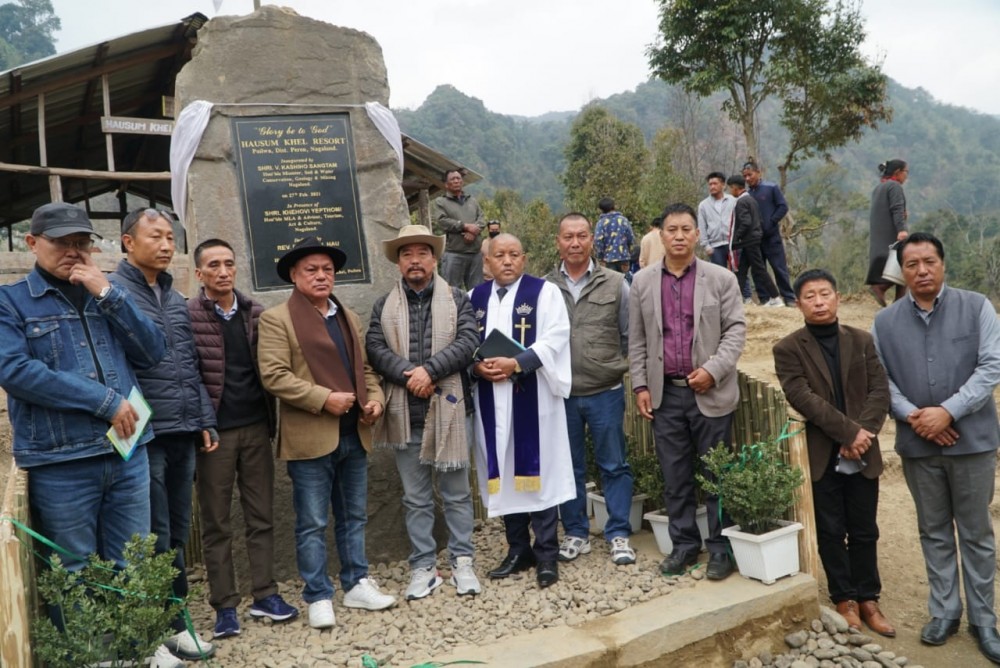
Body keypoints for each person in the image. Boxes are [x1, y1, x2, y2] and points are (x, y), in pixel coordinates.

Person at [0, 204, 178, 667]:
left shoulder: (107, 292)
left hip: (127, 453)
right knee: (75, 567)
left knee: (132, 560)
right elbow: (14, 371)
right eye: (61, 243)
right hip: (61, 459)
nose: (73, 252)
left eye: (81, 242)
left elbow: (153, 352)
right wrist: (105, 402)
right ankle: (96, 657)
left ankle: (140, 649)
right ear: (32, 243)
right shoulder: (11, 301)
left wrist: (109, 294)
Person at [871, 232, 1000, 663]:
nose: (922, 271)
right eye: (912, 265)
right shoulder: (884, 322)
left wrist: (947, 411)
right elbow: (881, 381)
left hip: (973, 443)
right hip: (918, 445)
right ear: (902, 272)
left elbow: (991, 367)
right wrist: (917, 417)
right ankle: (945, 612)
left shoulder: (977, 307)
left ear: (943, 264)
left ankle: (984, 621)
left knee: (976, 532)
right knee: (933, 530)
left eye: (929, 262)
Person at [257, 236, 394, 630]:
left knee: (354, 516)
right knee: (312, 522)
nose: (321, 276)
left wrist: (375, 400)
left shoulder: (347, 316)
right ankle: (317, 594)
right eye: (311, 270)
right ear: (294, 275)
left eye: (327, 269)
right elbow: (274, 376)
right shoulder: (277, 319)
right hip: (311, 438)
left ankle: (356, 583)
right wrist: (324, 398)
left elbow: (365, 370)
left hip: (354, 432)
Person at [112, 207, 218, 662]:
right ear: (127, 242)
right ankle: (153, 628)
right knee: (148, 534)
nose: (166, 245)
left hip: (181, 427)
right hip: (143, 433)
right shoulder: (112, 293)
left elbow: (189, 363)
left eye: (171, 238)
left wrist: (204, 417)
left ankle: (176, 622)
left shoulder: (175, 297)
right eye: (155, 236)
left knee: (175, 531)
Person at [773, 269, 895, 637]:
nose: (819, 302)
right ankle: (845, 598)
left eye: (825, 293)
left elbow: (880, 391)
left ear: (838, 297)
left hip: (863, 450)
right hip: (822, 453)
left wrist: (863, 434)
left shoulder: (862, 340)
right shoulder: (788, 349)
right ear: (799, 304)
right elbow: (802, 397)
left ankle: (869, 597)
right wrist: (848, 432)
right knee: (830, 529)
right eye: (809, 296)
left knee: (865, 528)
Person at [187, 238, 299, 639]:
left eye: (228, 264)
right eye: (213, 265)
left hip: (255, 427)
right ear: (199, 273)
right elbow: (189, 375)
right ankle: (224, 606)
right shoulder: (188, 316)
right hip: (214, 435)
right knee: (217, 523)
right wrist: (201, 422)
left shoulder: (256, 313)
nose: (223, 271)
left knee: (261, 516)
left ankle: (265, 594)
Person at [628, 202, 746, 581]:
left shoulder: (721, 279)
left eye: (686, 229)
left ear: (697, 234)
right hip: (666, 394)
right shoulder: (642, 282)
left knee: (717, 475)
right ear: (660, 235)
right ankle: (683, 545)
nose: (679, 236)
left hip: (711, 392)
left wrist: (713, 370)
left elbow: (735, 331)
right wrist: (641, 384)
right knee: (675, 475)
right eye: (671, 230)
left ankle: (721, 548)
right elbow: (637, 339)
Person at [366, 225, 482, 600]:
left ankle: (462, 560)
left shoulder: (458, 299)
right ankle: (423, 566)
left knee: (457, 494)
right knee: (415, 498)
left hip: (451, 411)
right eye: (407, 254)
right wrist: (410, 374)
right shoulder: (384, 306)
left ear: (434, 259)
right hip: (405, 413)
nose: (414, 261)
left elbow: (468, 340)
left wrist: (429, 371)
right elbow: (375, 348)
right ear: (398, 262)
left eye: (422, 253)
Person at [471, 233, 574, 588]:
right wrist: (476, 367)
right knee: (501, 472)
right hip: (491, 400)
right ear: (487, 261)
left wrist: (517, 362)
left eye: (514, 254)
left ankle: (546, 553)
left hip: (535, 398)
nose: (507, 261)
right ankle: (518, 550)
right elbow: (464, 343)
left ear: (524, 258)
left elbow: (557, 336)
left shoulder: (544, 292)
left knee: (538, 474)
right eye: (499, 255)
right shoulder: (474, 298)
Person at [547, 214, 636, 566]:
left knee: (614, 464)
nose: (575, 243)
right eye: (568, 236)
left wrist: (614, 366)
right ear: (558, 242)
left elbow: (630, 335)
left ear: (592, 241)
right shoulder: (545, 287)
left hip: (605, 391)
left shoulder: (615, 283)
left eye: (581, 235)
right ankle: (575, 532)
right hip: (561, 394)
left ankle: (619, 533)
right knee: (568, 467)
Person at [741, 161, 796, 306]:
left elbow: (782, 206)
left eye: (750, 175)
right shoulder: (746, 195)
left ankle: (789, 297)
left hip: (771, 237)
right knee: (758, 270)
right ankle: (765, 298)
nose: (747, 178)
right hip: (754, 239)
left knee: (779, 267)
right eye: (745, 176)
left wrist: (771, 222)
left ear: (758, 172)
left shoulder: (771, 188)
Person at [727, 175, 783, 307]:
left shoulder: (741, 202)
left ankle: (775, 298)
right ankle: (734, 299)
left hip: (749, 240)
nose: (730, 191)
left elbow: (745, 222)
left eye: (730, 188)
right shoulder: (751, 200)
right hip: (753, 239)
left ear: (735, 188)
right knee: (741, 270)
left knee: (759, 269)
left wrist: (736, 237)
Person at [432, 169, 485, 290]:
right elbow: (442, 221)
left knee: (477, 291)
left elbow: (481, 219)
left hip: (475, 253)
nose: (456, 181)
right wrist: (464, 226)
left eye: (458, 178)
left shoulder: (472, 200)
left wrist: (473, 232)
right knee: (452, 291)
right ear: (446, 184)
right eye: (453, 179)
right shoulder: (441, 202)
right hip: (454, 253)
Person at [866, 159, 909, 307]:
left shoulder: (880, 187)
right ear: (898, 172)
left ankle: (899, 302)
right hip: (891, 233)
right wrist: (902, 229)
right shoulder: (894, 186)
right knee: (905, 263)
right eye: (906, 172)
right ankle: (881, 288)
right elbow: (897, 209)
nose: (906, 176)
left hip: (879, 234)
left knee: (902, 265)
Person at [696, 172, 736, 267]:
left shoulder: (732, 200)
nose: (712, 187)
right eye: (710, 184)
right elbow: (702, 226)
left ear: (723, 185)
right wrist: (706, 246)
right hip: (715, 246)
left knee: (737, 272)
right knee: (719, 273)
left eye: (715, 184)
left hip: (732, 243)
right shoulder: (704, 205)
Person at [593, 197, 635, 278]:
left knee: (611, 281)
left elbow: (598, 241)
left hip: (608, 259)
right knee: (624, 281)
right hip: (623, 257)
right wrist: (628, 251)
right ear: (613, 206)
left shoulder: (601, 223)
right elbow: (630, 237)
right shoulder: (623, 220)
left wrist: (600, 257)